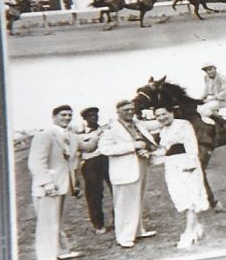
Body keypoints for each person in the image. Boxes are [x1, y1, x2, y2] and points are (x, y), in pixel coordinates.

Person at [28, 105, 91, 260]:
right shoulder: (44, 135)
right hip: (48, 187)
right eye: (63, 115)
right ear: (54, 117)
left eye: (70, 115)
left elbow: (89, 147)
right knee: (47, 224)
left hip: (63, 186)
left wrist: (101, 133)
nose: (67, 118)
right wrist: (47, 184)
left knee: (56, 221)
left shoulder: (71, 136)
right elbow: (36, 162)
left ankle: (61, 251)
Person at [99, 100, 157, 248]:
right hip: (124, 169)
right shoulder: (110, 128)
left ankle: (137, 231)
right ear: (118, 112)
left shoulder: (137, 123)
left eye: (131, 109)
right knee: (124, 204)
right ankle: (124, 237)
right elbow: (106, 149)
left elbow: (156, 125)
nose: (130, 112)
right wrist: (132, 146)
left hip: (140, 164)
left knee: (137, 199)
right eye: (126, 110)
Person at [153, 105, 209, 249]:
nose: (161, 118)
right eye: (158, 115)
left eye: (164, 114)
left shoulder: (183, 124)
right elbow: (165, 149)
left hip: (186, 163)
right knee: (180, 195)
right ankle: (196, 226)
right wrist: (153, 155)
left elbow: (191, 144)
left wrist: (190, 163)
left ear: (171, 112)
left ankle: (189, 232)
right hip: (172, 165)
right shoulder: (163, 130)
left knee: (190, 196)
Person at [78, 107, 112, 235]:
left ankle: (119, 219)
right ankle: (98, 224)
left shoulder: (106, 129)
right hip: (91, 163)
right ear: (85, 118)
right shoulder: (80, 134)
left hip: (108, 160)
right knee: (94, 195)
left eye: (95, 115)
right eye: (90, 116)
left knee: (117, 190)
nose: (94, 117)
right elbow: (85, 149)